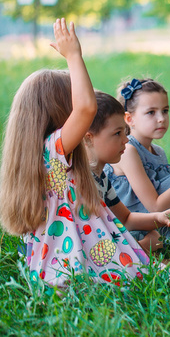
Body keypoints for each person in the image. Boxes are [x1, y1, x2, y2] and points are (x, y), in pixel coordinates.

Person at [0, 18, 149, 288]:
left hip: (60, 260)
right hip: (72, 265)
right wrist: (73, 56)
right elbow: (86, 109)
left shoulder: (39, 155)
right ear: (58, 109)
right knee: (137, 276)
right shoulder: (54, 150)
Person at [84, 90, 170, 253]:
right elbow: (93, 243)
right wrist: (143, 246)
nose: (125, 139)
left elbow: (126, 218)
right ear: (88, 139)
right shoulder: (81, 184)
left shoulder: (101, 178)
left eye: (124, 132)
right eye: (117, 133)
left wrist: (159, 218)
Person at [105, 77, 170, 246]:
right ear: (129, 119)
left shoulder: (158, 152)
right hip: (138, 228)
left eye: (165, 110)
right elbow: (156, 207)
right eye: (151, 112)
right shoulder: (127, 151)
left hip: (161, 222)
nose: (161, 118)